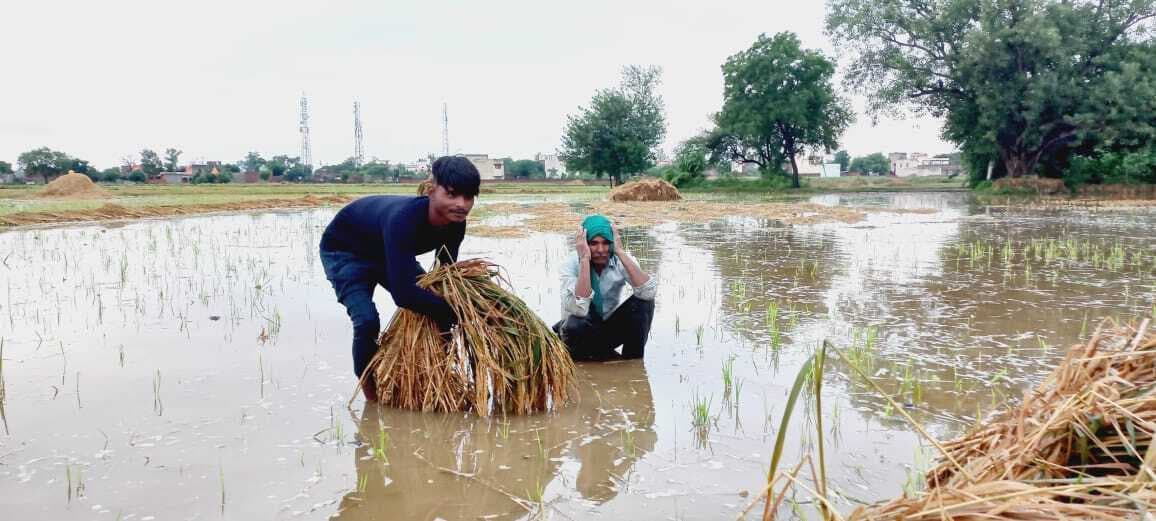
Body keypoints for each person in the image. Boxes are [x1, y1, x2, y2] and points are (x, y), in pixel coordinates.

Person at [319, 156, 480, 400]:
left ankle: (438, 377)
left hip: (384, 251)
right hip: (345, 251)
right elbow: (403, 295)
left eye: (468, 197)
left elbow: (443, 272)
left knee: (437, 303)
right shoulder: (403, 221)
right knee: (366, 321)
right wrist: (453, 311)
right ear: (431, 190)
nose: (461, 204)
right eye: (452, 194)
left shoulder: (456, 224)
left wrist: (458, 307)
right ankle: (372, 399)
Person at [553, 214, 657, 360]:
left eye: (606, 243)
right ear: (584, 244)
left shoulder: (620, 259)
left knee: (644, 304)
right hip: (576, 334)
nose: (601, 249)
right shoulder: (570, 264)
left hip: (605, 330)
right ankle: (583, 362)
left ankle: (632, 364)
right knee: (576, 323)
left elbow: (648, 293)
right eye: (593, 243)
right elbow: (579, 310)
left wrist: (620, 251)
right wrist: (584, 260)